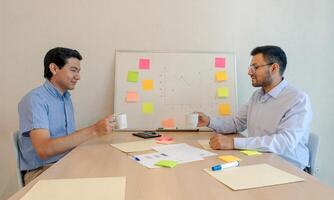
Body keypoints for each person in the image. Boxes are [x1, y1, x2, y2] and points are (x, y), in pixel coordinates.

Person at [197, 45, 312, 170]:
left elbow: (284, 142)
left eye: (255, 67)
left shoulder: (297, 99)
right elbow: (237, 123)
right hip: (260, 160)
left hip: (289, 167)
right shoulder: (257, 96)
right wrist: (209, 121)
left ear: (274, 68)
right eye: (250, 67)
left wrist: (233, 143)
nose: (249, 72)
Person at [18, 47, 115, 185]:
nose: (78, 76)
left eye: (79, 71)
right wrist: (94, 130)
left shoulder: (65, 98)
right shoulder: (35, 100)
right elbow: (44, 149)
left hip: (64, 162)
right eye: (73, 70)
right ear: (54, 68)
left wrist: (97, 131)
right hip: (42, 171)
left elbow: (66, 137)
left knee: (107, 168)